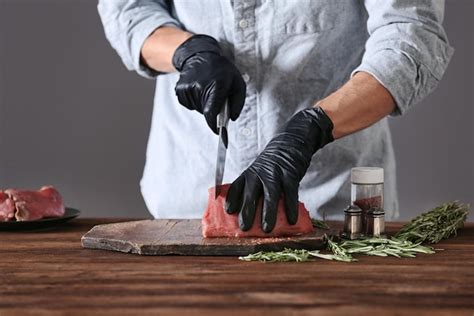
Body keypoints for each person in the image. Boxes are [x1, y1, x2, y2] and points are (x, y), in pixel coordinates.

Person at [98, 0, 453, 232]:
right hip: (185, 205)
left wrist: (315, 126)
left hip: (332, 209)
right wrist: (188, 51)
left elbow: (411, 36)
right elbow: (127, 8)